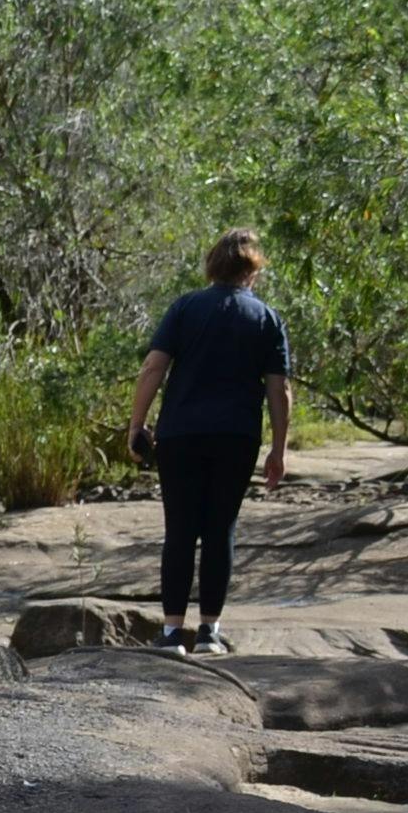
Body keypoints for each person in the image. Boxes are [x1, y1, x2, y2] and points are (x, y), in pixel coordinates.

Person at [125, 230, 293, 656]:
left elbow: (152, 368)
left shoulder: (185, 308)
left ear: (212, 266)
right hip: (236, 436)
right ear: (252, 271)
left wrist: (137, 424)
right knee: (220, 530)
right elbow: (280, 389)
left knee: (180, 529)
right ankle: (209, 632)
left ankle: (170, 634)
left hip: (180, 433)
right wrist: (279, 448)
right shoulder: (266, 318)